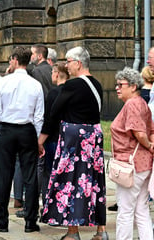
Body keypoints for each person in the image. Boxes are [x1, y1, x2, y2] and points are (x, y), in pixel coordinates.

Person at [41, 47, 108, 240]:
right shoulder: (97, 84)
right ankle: (101, 231)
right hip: (93, 139)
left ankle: (72, 232)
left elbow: (53, 114)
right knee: (94, 182)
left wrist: (40, 141)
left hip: (74, 142)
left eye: (68, 61)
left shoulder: (72, 85)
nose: (66, 65)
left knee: (71, 182)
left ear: (78, 63)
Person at [0, 47, 44, 233]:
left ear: (16, 60)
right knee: (30, 176)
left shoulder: (4, 82)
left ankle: (2, 221)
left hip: (6, 129)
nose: (9, 62)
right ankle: (30, 221)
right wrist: (38, 138)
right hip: (27, 130)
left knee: (4, 175)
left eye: (11, 59)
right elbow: (39, 115)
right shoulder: (35, 84)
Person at [111, 67, 154, 240]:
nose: (117, 88)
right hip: (142, 164)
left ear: (134, 86)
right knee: (141, 209)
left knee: (125, 211)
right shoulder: (142, 103)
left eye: (121, 84)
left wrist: (149, 144)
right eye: (116, 84)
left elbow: (140, 133)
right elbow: (151, 129)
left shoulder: (133, 104)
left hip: (132, 164)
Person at [37, 61, 69, 212]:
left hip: (53, 140)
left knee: (49, 174)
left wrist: (40, 141)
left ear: (56, 73)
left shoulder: (54, 93)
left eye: (52, 73)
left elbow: (49, 120)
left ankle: (49, 206)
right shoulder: (72, 91)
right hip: (68, 138)